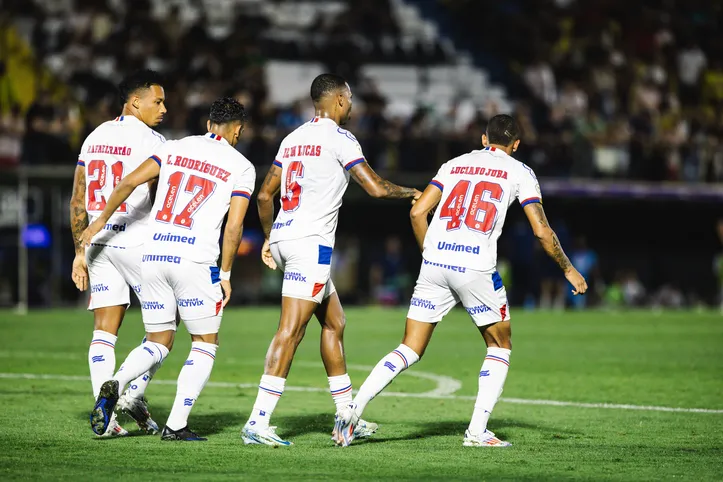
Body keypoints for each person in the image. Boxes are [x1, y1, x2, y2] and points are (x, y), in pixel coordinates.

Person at [333, 114, 588, 447]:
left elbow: (416, 212)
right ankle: (477, 432)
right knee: (499, 345)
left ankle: (351, 414)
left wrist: (431, 253)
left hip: (436, 261)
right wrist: (568, 268)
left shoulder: (453, 164)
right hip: (475, 266)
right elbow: (541, 230)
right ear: (516, 146)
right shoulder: (520, 172)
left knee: (409, 347)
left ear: (484, 139)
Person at [242, 73, 421, 446]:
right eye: (350, 99)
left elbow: (263, 196)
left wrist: (271, 236)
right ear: (339, 100)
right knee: (290, 331)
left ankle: (345, 416)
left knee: (335, 322)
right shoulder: (340, 138)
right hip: (310, 244)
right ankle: (257, 422)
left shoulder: (292, 138)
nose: (352, 105)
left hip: (287, 236)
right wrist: (409, 193)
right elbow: (372, 186)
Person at [80, 97, 255, 441]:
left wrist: (99, 220)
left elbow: (128, 182)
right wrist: (227, 273)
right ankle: (176, 425)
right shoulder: (242, 166)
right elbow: (234, 228)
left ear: (208, 125)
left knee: (159, 339)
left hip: (154, 254)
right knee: (205, 343)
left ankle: (117, 382)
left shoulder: (174, 147)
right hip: (195, 259)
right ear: (239, 130)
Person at [69, 69, 168, 437]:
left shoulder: (94, 136)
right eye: (157, 101)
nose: (163, 108)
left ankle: (104, 414)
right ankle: (132, 393)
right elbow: (159, 199)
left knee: (104, 330)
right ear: (135, 101)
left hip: (98, 244)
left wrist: (81, 249)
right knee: (165, 327)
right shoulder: (154, 140)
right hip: (138, 241)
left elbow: (78, 199)